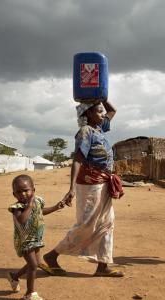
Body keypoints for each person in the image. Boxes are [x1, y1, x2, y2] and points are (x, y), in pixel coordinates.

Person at [43, 99, 124, 277]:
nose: (103, 114)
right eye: (99, 111)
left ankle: (102, 266)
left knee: (107, 223)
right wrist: (71, 188)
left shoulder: (100, 129)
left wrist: (101, 96)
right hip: (90, 185)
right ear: (89, 114)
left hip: (103, 183)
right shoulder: (85, 132)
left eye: (103, 112)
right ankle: (52, 256)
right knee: (87, 225)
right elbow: (78, 160)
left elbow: (113, 111)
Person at [6, 174, 65, 300]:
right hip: (25, 240)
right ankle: (30, 293)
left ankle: (14, 277)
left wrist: (55, 207)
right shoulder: (17, 207)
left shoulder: (37, 201)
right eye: (18, 192)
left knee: (36, 263)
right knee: (33, 265)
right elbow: (22, 220)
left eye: (26, 190)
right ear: (14, 194)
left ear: (33, 190)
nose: (23, 194)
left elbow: (41, 211)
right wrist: (30, 206)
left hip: (36, 238)